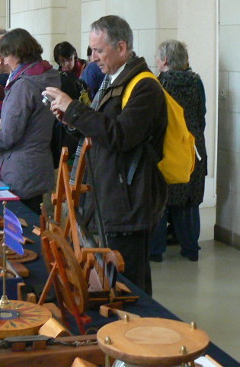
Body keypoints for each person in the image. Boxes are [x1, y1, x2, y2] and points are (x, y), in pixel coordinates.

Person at [43, 15, 167, 295]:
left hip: (128, 202)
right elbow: (101, 134)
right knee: (110, 280)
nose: (93, 58)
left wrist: (75, 109)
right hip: (112, 196)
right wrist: (71, 120)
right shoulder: (114, 80)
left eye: (99, 50)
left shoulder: (144, 86)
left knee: (129, 285)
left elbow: (120, 136)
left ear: (121, 47)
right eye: (92, 50)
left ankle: (136, 324)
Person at [0, 29, 60, 214]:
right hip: (38, 164)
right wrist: (5, 120)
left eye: (5, 55)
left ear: (15, 54)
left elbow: (8, 136)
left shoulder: (23, 84)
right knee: (35, 219)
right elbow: (34, 118)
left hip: (21, 170)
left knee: (21, 224)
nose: (3, 60)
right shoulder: (47, 75)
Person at [149, 40, 207, 262]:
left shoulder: (158, 84)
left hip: (167, 148)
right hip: (193, 148)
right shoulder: (196, 82)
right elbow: (201, 115)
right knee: (189, 200)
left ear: (164, 60)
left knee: (161, 200)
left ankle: (156, 251)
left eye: (157, 58)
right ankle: (191, 249)